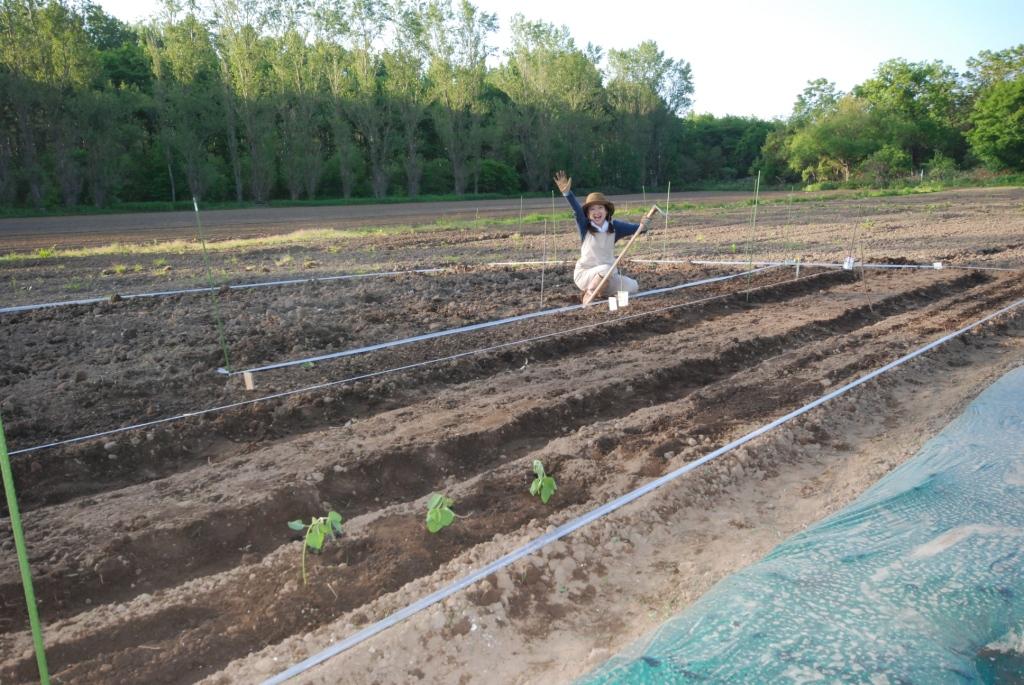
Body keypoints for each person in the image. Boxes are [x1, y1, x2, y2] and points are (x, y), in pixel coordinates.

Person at [553, 170, 650, 302]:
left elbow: (638, 229)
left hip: (607, 276)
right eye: (592, 209)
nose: (596, 212)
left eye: (600, 208)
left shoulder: (615, 227)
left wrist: (644, 225)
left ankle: (607, 299)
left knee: (632, 285)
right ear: (587, 214)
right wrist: (567, 194)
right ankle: (588, 295)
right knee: (607, 268)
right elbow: (576, 210)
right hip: (586, 275)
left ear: (606, 211)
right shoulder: (584, 226)